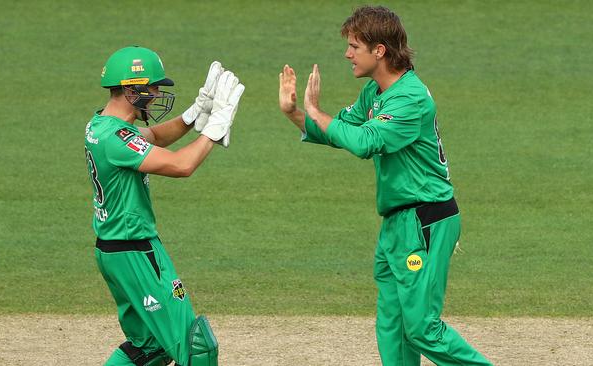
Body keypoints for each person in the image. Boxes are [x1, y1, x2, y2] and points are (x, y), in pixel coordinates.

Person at [278, 6, 492, 366]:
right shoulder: (375, 92)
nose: (347, 54)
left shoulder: (411, 98)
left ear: (379, 50)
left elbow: (364, 142)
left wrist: (316, 112)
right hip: (397, 222)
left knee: (422, 328)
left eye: (354, 47)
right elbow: (340, 132)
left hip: (425, 219)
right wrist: (295, 113)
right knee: (393, 326)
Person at [85, 45, 244, 366]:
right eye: (153, 87)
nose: (157, 94)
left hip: (113, 251)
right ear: (132, 90)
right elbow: (181, 165)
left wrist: (195, 113)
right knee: (195, 344)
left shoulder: (101, 125)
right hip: (136, 252)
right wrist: (217, 124)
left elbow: (153, 136)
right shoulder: (117, 138)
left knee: (150, 347)